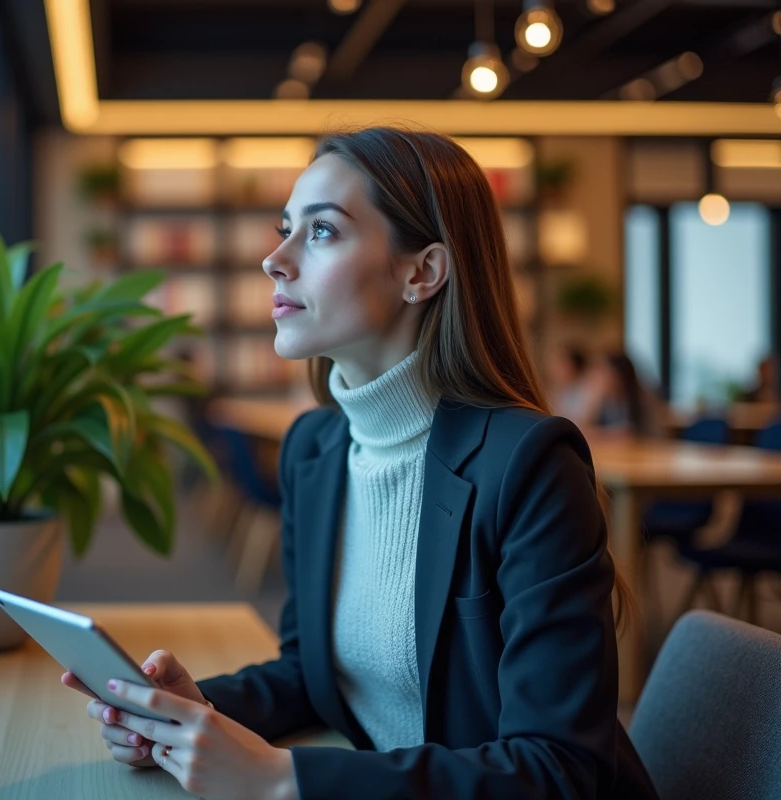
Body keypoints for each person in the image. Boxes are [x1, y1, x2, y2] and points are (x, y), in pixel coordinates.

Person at [62, 127, 659, 799]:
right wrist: (195, 707)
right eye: (285, 229)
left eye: (321, 232)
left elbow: (560, 771)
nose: (274, 260)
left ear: (421, 273)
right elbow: (316, 675)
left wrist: (284, 779)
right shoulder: (315, 449)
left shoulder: (529, 465)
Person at [548, 344, 591, 421]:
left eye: (561, 364)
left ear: (573, 366)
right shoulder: (558, 390)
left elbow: (582, 422)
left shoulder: (587, 391)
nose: (555, 369)